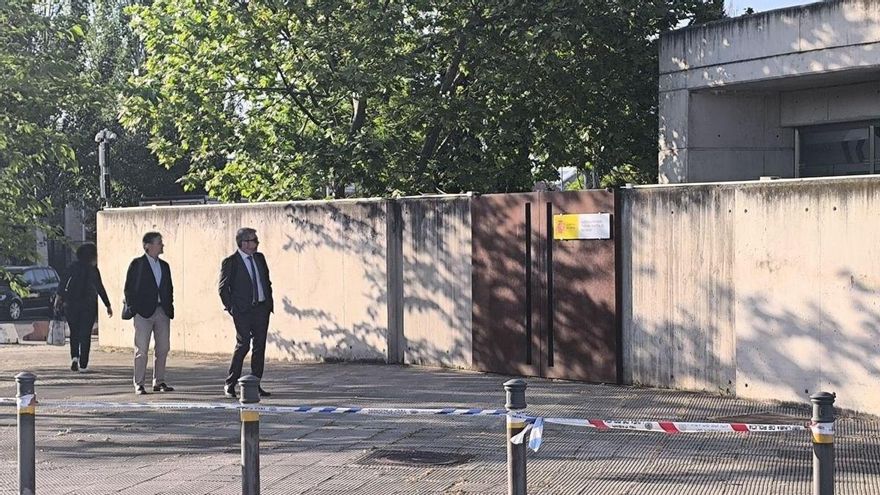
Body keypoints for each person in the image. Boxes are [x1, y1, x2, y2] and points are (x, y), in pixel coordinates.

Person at [219, 227, 273, 399]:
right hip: (242, 311)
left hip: (261, 309)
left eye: (256, 240)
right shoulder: (231, 262)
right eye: (253, 240)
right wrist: (233, 308)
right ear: (243, 243)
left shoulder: (259, 258)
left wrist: (268, 303)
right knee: (243, 345)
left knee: (259, 346)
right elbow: (223, 289)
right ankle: (230, 383)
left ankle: (255, 384)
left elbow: (266, 281)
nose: (257, 243)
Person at [124, 232, 175, 395]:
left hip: (162, 311)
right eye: (159, 242)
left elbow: (169, 288)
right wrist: (134, 307)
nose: (162, 245)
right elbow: (129, 289)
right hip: (143, 313)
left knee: (163, 348)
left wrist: (169, 306)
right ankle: (139, 383)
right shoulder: (137, 264)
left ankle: (159, 381)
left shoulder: (164, 266)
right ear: (148, 246)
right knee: (142, 349)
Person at [56, 243, 112, 372]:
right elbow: (100, 288)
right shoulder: (93, 270)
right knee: (85, 334)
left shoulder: (71, 267)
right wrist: (107, 304)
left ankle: (74, 357)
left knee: (74, 332)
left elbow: (62, 284)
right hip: (88, 306)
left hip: (71, 305)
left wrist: (58, 300)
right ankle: (83, 363)